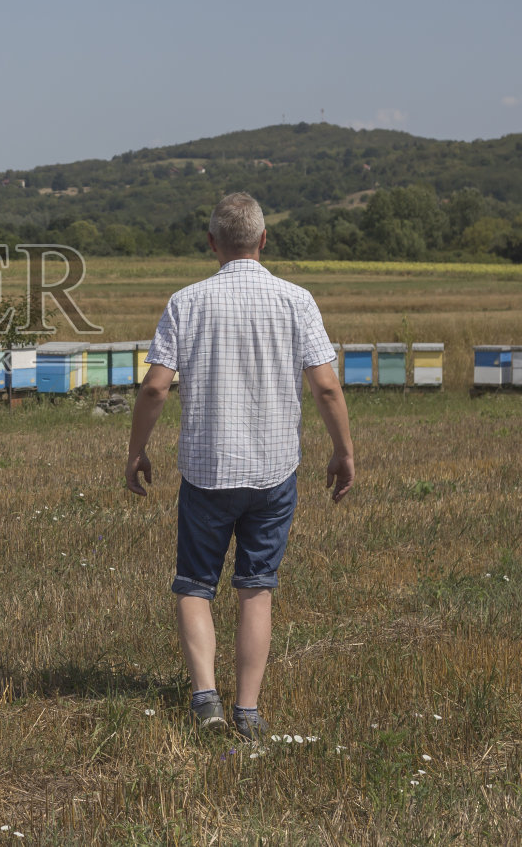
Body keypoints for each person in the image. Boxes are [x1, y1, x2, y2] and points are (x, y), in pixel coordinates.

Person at [124, 191, 354, 741]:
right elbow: (326, 386)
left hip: (207, 470)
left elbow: (155, 387)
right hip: (274, 470)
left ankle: (206, 702)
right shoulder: (296, 300)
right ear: (263, 240)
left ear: (212, 243)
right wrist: (343, 451)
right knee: (256, 587)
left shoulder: (186, 302)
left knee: (194, 584)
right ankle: (247, 711)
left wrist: (136, 450)